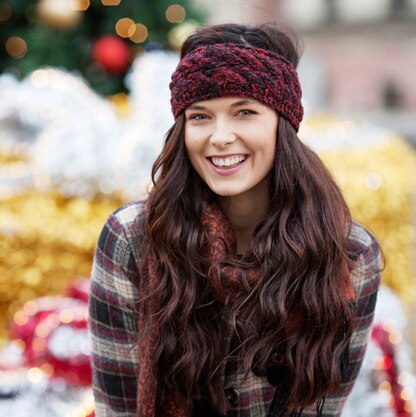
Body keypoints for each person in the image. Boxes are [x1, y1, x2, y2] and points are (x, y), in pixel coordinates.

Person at [88, 23, 382, 417]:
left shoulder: (349, 255)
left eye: (244, 112)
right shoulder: (132, 240)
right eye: (200, 116)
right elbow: (118, 407)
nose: (220, 136)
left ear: (283, 123)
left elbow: (320, 408)